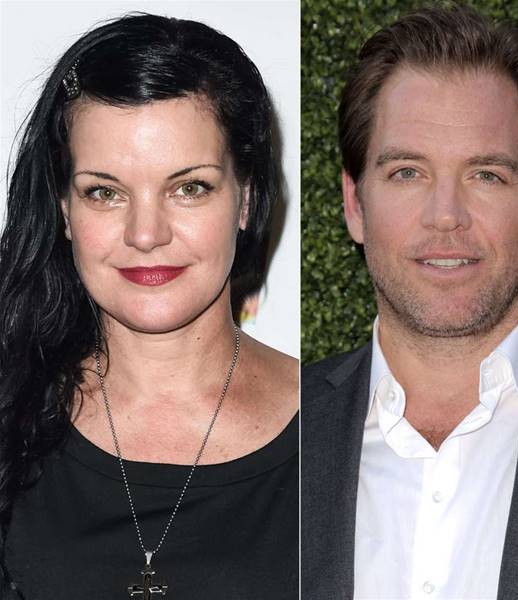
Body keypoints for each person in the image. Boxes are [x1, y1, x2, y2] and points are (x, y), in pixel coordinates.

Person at [301, 5, 518, 599]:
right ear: (355, 205)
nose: (445, 216)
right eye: (407, 172)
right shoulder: (282, 432)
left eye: (486, 175)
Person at [0, 14, 298, 598]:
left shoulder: (342, 431)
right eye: (104, 192)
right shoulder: (9, 414)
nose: (145, 234)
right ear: (64, 210)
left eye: (189, 188)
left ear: (246, 199)